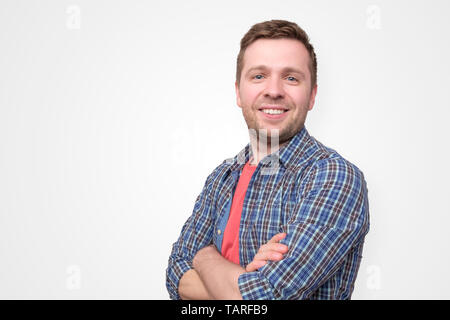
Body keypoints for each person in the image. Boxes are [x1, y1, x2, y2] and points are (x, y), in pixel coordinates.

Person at [166, 19, 370, 300]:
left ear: (312, 95)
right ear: (239, 92)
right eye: (259, 76)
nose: (274, 91)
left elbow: (265, 296)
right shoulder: (221, 178)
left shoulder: (333, 176)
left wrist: (204, 257)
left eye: (291, 78)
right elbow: (175, 276)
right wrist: (240, 282)